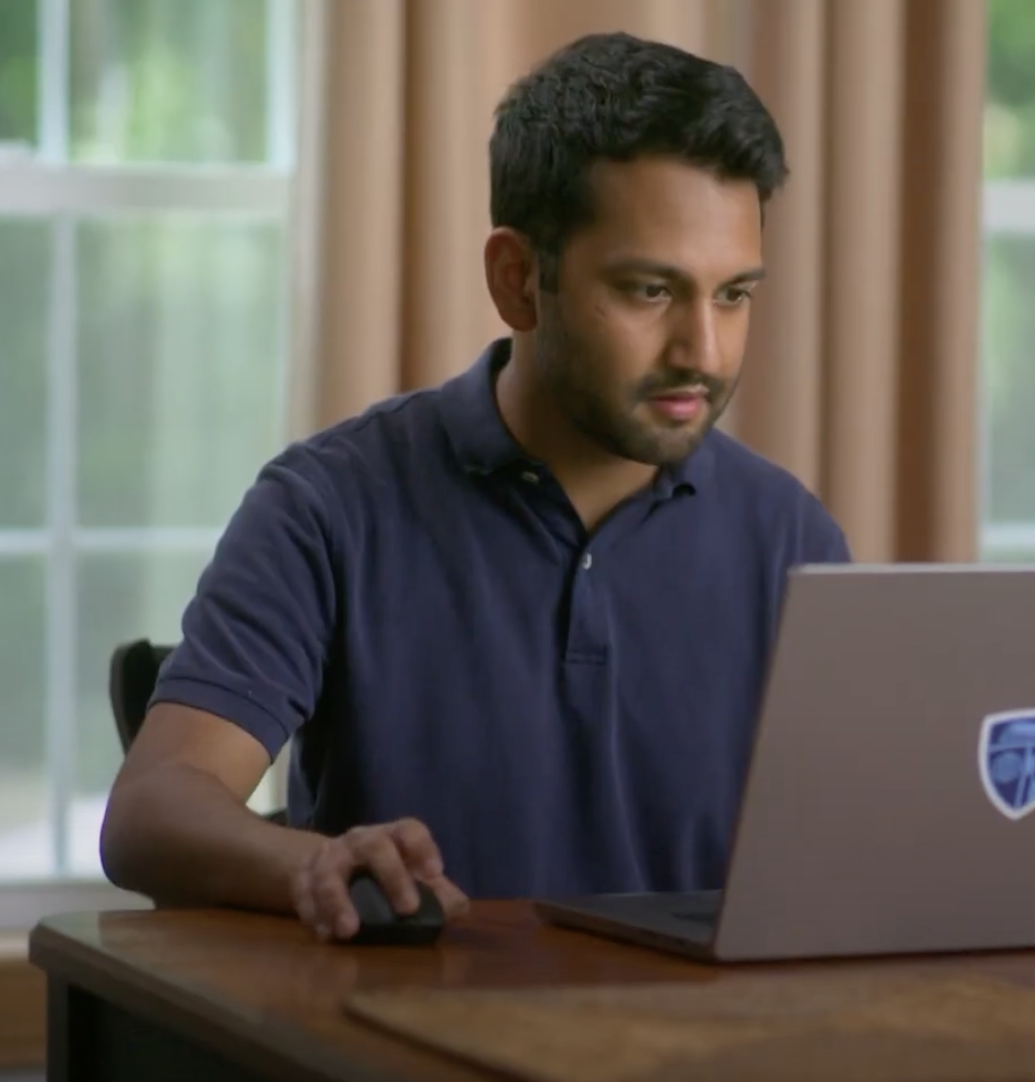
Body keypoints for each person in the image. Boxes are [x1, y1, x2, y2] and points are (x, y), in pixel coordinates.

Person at [98, 33, 849, 942]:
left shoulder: (792, 538)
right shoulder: (329, 506)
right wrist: (314, 861)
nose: (706, 351)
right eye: (652, 291)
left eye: (734, 295)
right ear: (518, 280)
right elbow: (149, 811)